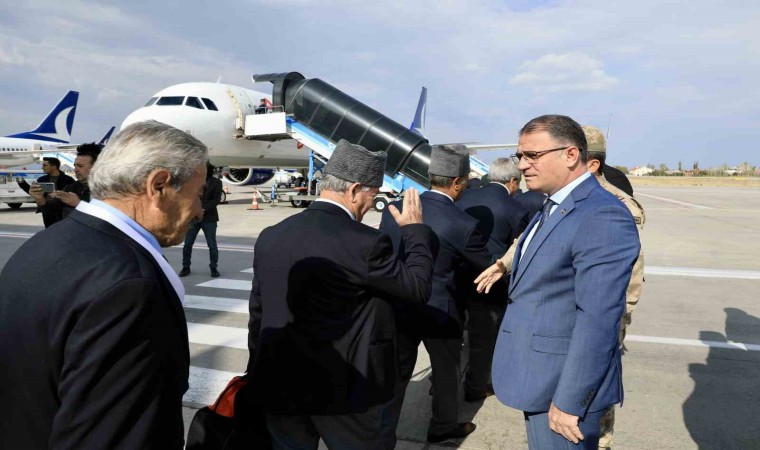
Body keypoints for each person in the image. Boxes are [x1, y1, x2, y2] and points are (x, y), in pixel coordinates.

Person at [0, 120, 208, 449]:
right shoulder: (131, 287)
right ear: (158, 186)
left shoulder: (46, 243)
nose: (199, 211)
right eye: (197, 195)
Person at [246, 139, 435, 450]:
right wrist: (415, 231)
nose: (371, 204)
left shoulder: (271, 235)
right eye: (373, 195)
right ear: (355, 190)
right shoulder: (366, 243)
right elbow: (417, 288)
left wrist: (256, 370)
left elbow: (259, 312)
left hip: (280, 383)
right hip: (346, 393)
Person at [475, 115, 640, 449]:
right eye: (520, 156)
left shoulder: (601, 214)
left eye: (533, 155)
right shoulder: (553, 205)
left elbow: (598, 320)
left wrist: (570, 402)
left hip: (562, 393)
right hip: (540, 379)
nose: (522, 165)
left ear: (570, 155)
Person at [379, 144, 493, 446]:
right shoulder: (462, 224)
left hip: (400, 304)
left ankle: (383, 431)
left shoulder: (395, 210)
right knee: (446, 372)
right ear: (457, 182)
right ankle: (442, 426)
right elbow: (483, 267)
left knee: (396, 373)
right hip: (441, 311)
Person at [582, 125, 646, 450]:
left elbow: (632, 267)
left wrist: (623, 314)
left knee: (599, 382)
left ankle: (601, 441)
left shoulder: (616, 201)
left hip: (606, 312)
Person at [456, 157, 529, 403]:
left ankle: (442, 382)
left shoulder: (464, 197)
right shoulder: (515, 209)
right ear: (513, 181)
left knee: (452, 338)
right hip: (490, 282)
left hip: (456, 277)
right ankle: (475, 386)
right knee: (482, 339)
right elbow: (516, 251)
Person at [32, 143, 101, 221]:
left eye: (80, 166)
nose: (75, 169)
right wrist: (40, 199)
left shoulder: (108, 191)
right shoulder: (69, 189)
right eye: (75, 166)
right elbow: (51, 212)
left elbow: (106, 220)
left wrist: (79, 204)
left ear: (96, 167)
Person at [180, 162, 223, 278]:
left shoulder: (217, 182)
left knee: (212, 245)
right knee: (187, 244)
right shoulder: (193, 181)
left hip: (209, 218)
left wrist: (203, 209)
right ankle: (185, 267)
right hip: (193, 217)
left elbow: (216, 199)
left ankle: (213, 267)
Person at [20, 156, 75, 227]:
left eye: (45, 165)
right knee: (50, 231)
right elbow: (35, 194)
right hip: (47, 211)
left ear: (54, 167)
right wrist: (22, 183)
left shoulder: (68, 180)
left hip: (62, 211)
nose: (42, 167)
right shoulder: (42, 180)